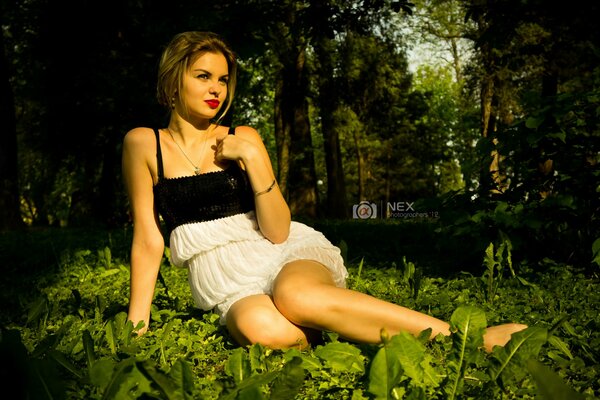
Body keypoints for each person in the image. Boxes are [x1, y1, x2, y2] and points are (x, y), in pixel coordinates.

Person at [121, 31, 526, 353]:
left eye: (224, 79)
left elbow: (278, 231)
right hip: (228, 281)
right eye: (203, 76)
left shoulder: (241, 136)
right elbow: (148, 237)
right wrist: (136, 328)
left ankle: (465, 339)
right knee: (262, 330)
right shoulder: (143, 144)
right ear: (175, 79)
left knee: (294, 295)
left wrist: (254, 158)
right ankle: (336, 324)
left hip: (283, 254)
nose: (217, 89)